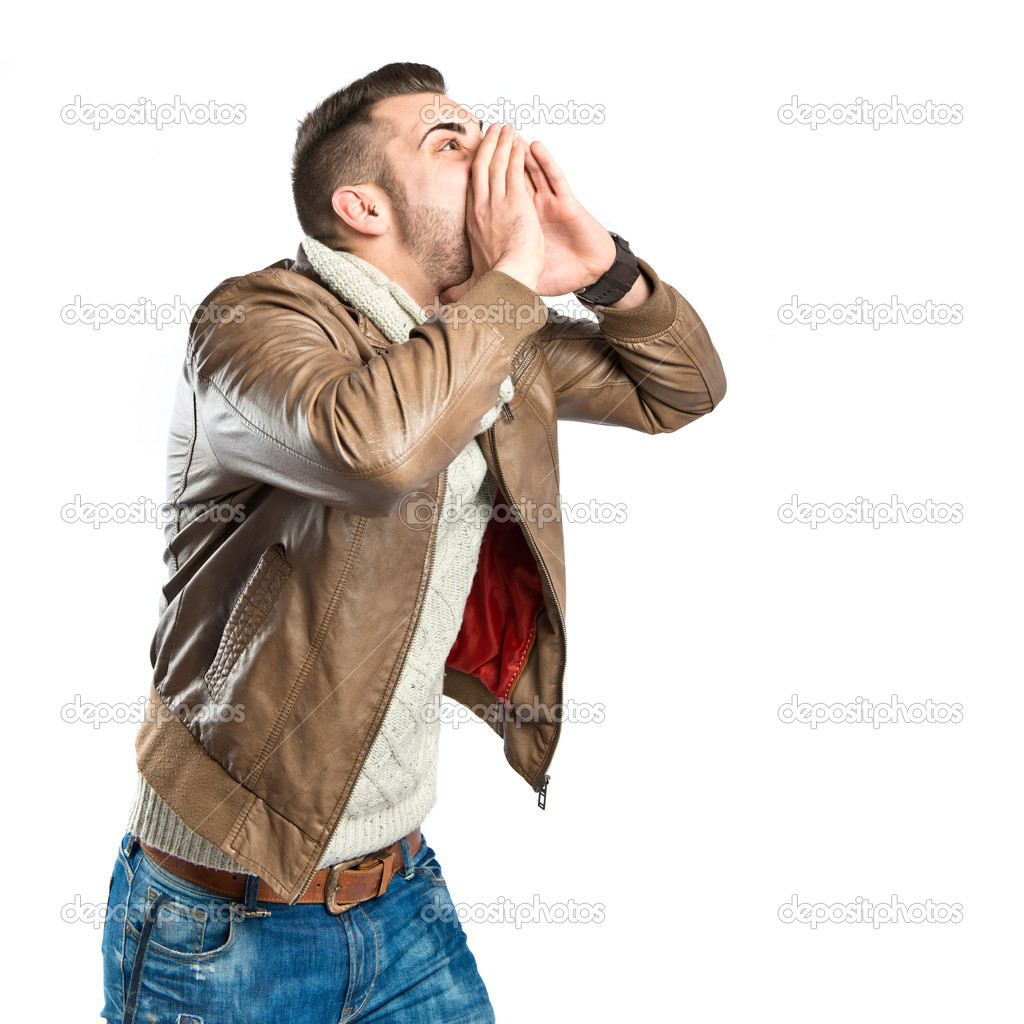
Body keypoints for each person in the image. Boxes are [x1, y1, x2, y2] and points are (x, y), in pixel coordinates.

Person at [100, 61, 727, 1023]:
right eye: (451, 143)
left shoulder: (487, 333)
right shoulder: (251, 323)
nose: (492, 158)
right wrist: (513, 277)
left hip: (401, 896)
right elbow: (375, 447)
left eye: (483, 132)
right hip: (225, 923)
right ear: (361, 205)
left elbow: (678, 388)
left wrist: (601, 267)